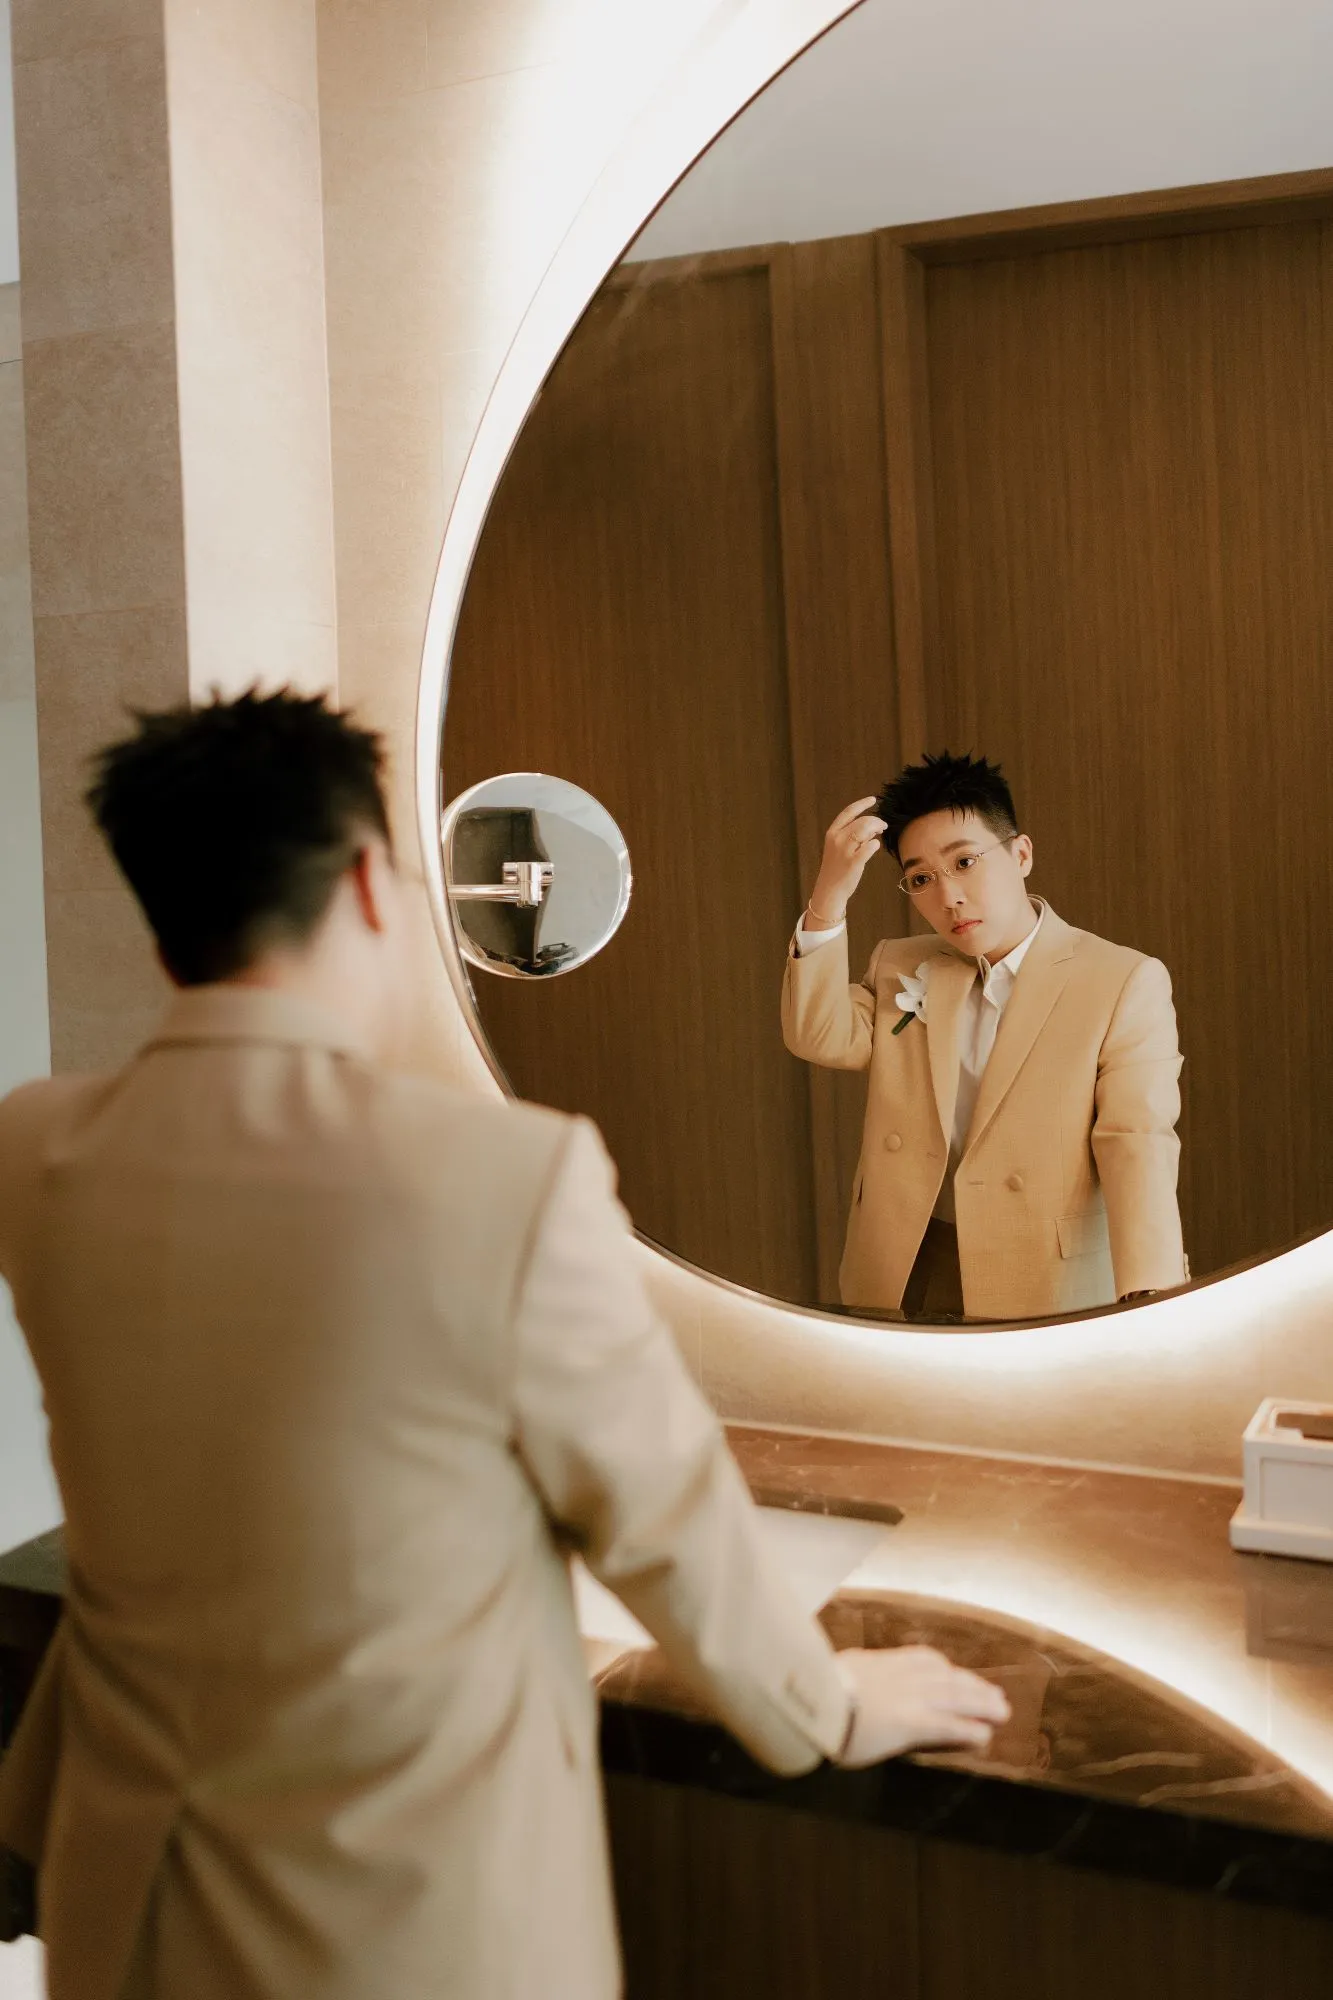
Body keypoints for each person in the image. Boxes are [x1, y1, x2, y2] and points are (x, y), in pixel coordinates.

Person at [0, 691, 1007, 2000]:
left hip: (131, 1904)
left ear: (159, 912)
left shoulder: (39, 1152)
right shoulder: (500, 1174)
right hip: (410, 1924)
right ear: (372, 885)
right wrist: (829, 1703)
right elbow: (663, 1522)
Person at [782, 751, 1187, 1319]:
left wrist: (1151, 1299)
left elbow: (1136, 1142)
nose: (948, 896)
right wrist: (829, 897)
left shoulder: (1121, 979)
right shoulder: (901, 964)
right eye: (921, 878)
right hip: (911, 1265)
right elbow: (817, 1035)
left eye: (965, 862)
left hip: (1044, 1275)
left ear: (1021, 854)